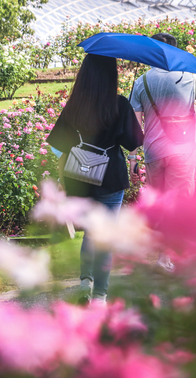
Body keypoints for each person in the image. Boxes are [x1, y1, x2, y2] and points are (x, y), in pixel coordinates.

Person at [47, 54, 144, 304]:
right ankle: (100, 295)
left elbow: (59, 146)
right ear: (112, 74)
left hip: (78, 179)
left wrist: (61, 179)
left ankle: (84, 282)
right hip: (110, 177)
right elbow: (133, 142)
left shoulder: (74, 106)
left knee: (90, 232)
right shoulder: (119, 104)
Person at [128, 32, 196, 271]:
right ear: (177, 51)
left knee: (161, 204)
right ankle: (169, 256)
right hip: (183, 152)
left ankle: (163, 254)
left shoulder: (141, 81)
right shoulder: (192, 79)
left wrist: (133, 159)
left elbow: (134, 126)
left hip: (154, 152)